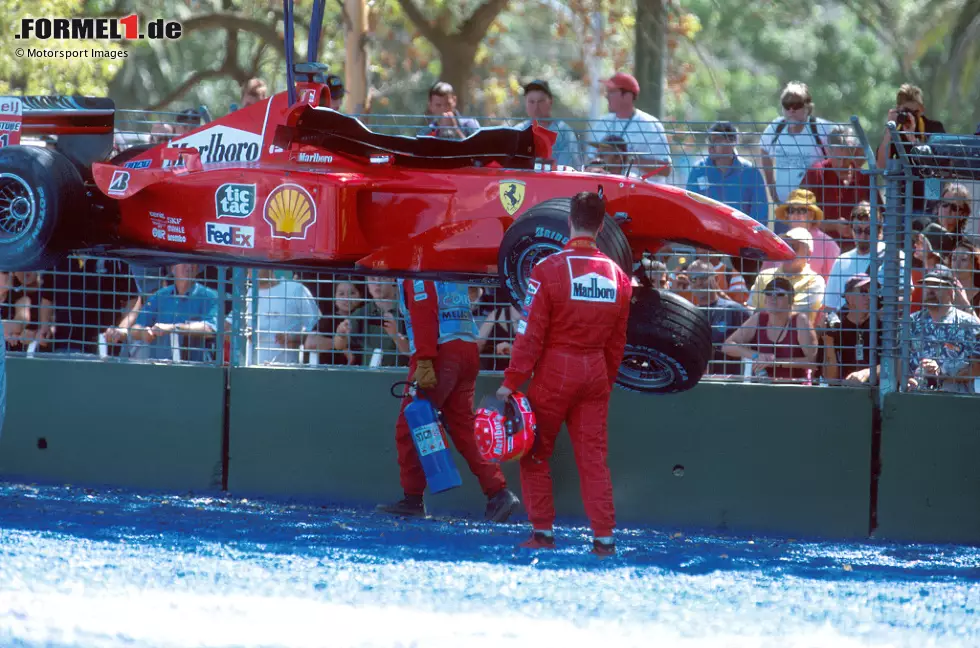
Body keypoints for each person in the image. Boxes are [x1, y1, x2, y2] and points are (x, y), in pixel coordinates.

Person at [495, 191, 633, 556]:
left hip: (555, 372)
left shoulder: (548, 269)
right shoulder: (618, 277)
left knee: (534, 453)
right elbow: (617, 342)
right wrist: (606, 379)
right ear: (602, 226)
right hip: (595, 374)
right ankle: (604, 539)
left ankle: (543, 534)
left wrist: (511, 382)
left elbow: (529, 334)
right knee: (593, 461)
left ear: (570, 221)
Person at [378, 279, 520, 522]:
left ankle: (412, 499)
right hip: (466, 348)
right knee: (464, 428)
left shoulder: (415, 264)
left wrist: (424, 359)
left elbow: (424, 310)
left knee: (411, 425)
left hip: (439, 352)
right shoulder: (442, 257)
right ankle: (499, 492)